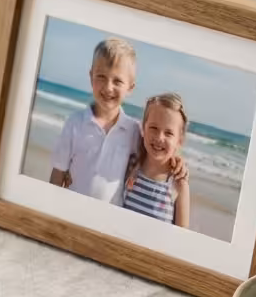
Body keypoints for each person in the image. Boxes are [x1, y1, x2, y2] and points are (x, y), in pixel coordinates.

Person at [48, 37, 139, 202]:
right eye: (101, 76)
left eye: (117, 81)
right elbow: (58, 173)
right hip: (71, 209)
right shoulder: (75, 123)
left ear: (130, 87)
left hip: (108, 221)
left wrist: (178, 164)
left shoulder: (134, 131)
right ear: (91, 76)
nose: (108, 87)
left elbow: (156, 156)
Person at [120, 92, 191, 228]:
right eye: (153, 128)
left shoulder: (178, 184)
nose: (159, 137)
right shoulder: (131, 166)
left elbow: (182, 238)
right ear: (143, 128)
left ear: (179, 140)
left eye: (169, 133)